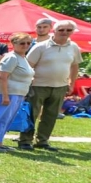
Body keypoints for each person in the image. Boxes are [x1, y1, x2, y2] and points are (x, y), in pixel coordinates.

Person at [19, 21, 81, 151]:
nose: (65, 32)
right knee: (31, 114)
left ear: (72, 32)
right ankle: (25, 141)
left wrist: (71, 83)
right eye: (61, 30)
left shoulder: (74, 47)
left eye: (69, 30)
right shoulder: (41, 46)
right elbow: (28, 65)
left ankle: (42, 141)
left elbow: (75, 66)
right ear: (54, 30)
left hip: (60, 86)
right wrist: (26, 83)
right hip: (37, 85)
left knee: (51, 116)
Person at [0, 33, 34, 152]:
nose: (26, 45)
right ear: (13, 44)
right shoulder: (11, 57)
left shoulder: (22, 58)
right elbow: (2, 77)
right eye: (22, 43)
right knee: (1, 117)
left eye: (28, 43)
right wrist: (5, 96)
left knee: (7, 119)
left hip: (17, 93)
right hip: (6, 92)